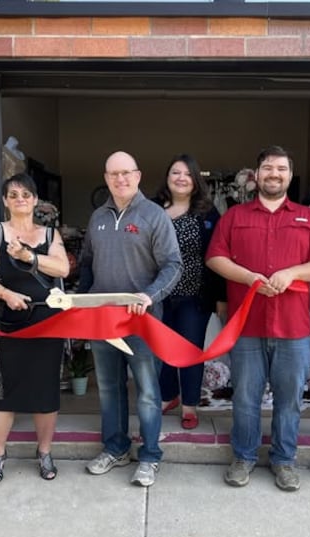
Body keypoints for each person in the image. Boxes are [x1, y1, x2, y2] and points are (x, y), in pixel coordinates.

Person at [206, 145, 310, 491]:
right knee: (245, 397)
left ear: (290, 175)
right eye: (267, 168)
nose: (273, 174)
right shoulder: (234, 217)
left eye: (280, 168)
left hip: (292, 327)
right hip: (247, 324)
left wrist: (292, 273)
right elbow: (215, 258)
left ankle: (283, 460)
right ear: (256, 175)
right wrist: (249, 278)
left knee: (289, 397)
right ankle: (244, 457)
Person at [78, 151, 182, 487]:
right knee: (109, 389)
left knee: (149, 393)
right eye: (113, 174)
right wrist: (81, 305)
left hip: (142, 321)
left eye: (126, 173)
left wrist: (149, 295)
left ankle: (150, 456)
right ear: (106, 178)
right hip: (103, 321)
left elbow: (173, 265)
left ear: (137, 175)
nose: (120, 179)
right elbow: (87, 265)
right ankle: (116, 448)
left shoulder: (154, 216)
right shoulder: (97, 218)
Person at [0, 173, 70, 484]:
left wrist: (29, 256)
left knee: (45, 391)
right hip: (9, 324)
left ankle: (44, 453)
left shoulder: (50, 235)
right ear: (4, 201)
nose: (20, 199)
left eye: (26, 194)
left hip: (49, 322)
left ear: (35, 199)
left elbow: (62, 268)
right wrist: (5, 294)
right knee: (4, 393)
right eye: (13, 195)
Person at [153, 154, 226, 429]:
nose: (181, 178)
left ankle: (190, 405)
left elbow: (218, 256)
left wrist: (220, 298)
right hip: (158, 295)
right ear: (168, 177)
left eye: (187, 174)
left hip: (195, 295)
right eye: (175, 173)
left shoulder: (208, 212)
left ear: (195, 180)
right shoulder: (152, 208)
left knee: (190, 350)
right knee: (163, 349)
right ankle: (168, 395)